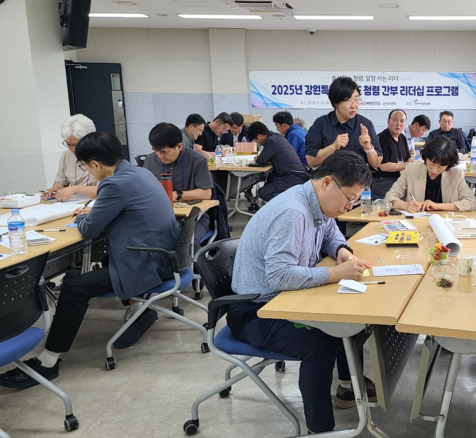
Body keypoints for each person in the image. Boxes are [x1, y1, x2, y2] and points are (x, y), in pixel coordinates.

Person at [0, 132, 180, 389]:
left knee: (74, 287)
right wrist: (96, 211)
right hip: (165, 256)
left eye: (85, 166)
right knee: (106, 258)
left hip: (149, 263)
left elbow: (88, 229)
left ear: (95, 164)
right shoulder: (140, 172)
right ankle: (139, 309)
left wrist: (84, 215)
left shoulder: (114, 184)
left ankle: (47, 362)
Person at [227, 151, 376, 433]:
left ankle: (347, 388)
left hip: (286, 300)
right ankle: (320, 431)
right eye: (349, 199)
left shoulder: (318, 202)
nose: (349, 207)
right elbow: (279, 276)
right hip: (256, 311)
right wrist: (335, 274)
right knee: (319, 346)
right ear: (327, 182)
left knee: (350, 320)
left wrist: (342, 252)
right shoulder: (292, 212)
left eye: (355, 201)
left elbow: (331, 233)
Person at [143, 123, 213, 254]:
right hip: (160, 217)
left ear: (179, 146)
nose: (159, 155)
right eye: (155, 151)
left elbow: (206, 193)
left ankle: (195, 267)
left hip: (193, 218)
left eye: (164, 152)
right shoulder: (150, 160)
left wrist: (177, 195)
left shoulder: (197, 160)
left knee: (186, 243)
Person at [305, 77, 383, 169]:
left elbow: (376, 163)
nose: (354, 105)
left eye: (357, 99)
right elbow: (311, 160)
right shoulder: (321, 123)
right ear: (335, 103)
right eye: (348, 100)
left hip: (357, 177)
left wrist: (368, 148)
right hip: (328, 176)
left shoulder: (366, 124)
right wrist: (333, 147)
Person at [384, 136, 476, 212]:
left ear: (448, 165)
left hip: (445, 222)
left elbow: (471, 203)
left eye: (441, 166)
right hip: (416, 221)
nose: (434, 170)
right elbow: (389, 197)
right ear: (425, 157)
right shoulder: (411, 170)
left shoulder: (456, 174)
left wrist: (438, 206)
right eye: (432, 163)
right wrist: (406, 205)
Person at [245, 121, 309, 202]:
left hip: (291, 177)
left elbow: (260, 160)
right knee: (268, 182)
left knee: (262, 192)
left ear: (259, 136)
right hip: (296, 174)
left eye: (255, 140)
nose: (257, 143)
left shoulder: (271, 141)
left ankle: (284, 205)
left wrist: (258, 159)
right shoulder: (277, 137)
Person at [42, 115, 99, 201]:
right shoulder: (66, 155)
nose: (72, 149)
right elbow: (61, 183)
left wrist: (75, 189)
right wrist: (54, 190)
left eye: (76, 145)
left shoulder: (104, 154)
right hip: (75, 203)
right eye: (68, 144)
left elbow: (109, 188)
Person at [372, 109, 414, 197]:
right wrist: (407, 164)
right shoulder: (381, 138)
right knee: (407, 193)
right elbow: (383, 166)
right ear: (388, 121)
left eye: (402, 121)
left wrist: (411, 160)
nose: (398, 123)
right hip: (381, 180)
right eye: (395, 120)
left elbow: (408, 157)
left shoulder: (402, 138)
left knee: (416, 188)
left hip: (396, 178)